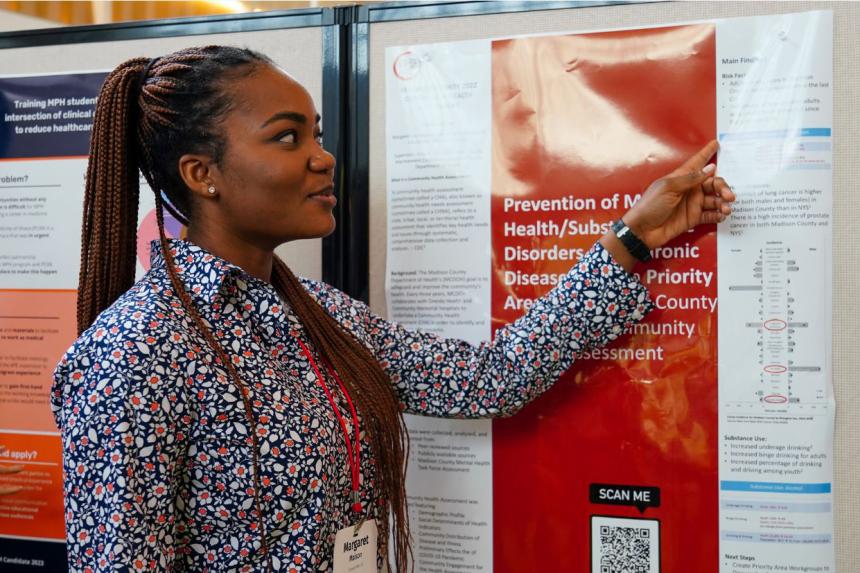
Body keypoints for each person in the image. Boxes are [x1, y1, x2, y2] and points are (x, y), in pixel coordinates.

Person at [50, 46, 733, 573]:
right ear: (203, 174)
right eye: (288, 138)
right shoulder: (132, 355)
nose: (324, 158)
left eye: (316, 134)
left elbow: (490, 377)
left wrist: (632, 237)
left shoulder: (314, 315)